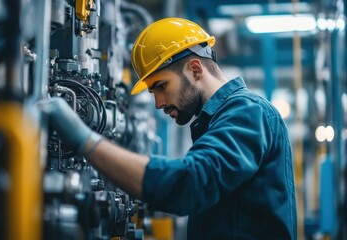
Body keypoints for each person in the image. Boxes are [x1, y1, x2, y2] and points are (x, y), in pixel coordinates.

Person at [41, 17, 297, 239]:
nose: (158, 103)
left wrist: (86, 141)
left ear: (195, 69)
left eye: (161, 86)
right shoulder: (219, 120)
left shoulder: (248, 112)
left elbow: (190, 184)